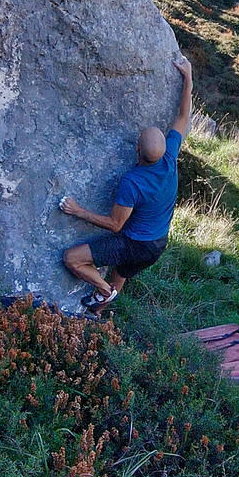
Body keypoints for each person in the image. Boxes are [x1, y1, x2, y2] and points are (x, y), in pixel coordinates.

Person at [60, 56, 192, 311]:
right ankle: (96, 314)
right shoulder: (170, 157)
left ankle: (104, 291)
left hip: (135, 244)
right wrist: (188, 78)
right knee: (120, 272)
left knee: (72, 258)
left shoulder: (132, 182)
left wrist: (77, 211)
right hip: (158, 243)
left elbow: (115, 224)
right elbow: (183, 114)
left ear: (137, 151)